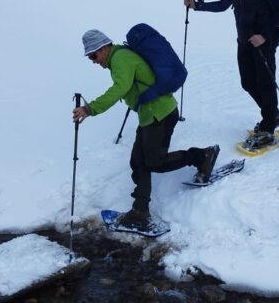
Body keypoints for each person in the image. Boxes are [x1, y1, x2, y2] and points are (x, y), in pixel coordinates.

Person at [73, 29, 219, 230]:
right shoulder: (120, 57)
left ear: (104, 47)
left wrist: (90, 108)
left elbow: (119, 89)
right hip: (150, 115)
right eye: (90, 57)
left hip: (160, 114)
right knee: (138, 161)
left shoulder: (120, 59)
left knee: (154, 162)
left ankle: (203, 156)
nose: (93, 60)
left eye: (94, 55)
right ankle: (139, 212)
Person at [184, 0, 279, 146]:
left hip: (264, 41)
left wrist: (263, 35)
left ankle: (268, 126)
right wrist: (198, 6)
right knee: (247, 82)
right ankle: (273, 115)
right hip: (244, 40)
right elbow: (223, 4)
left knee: (266, 83)